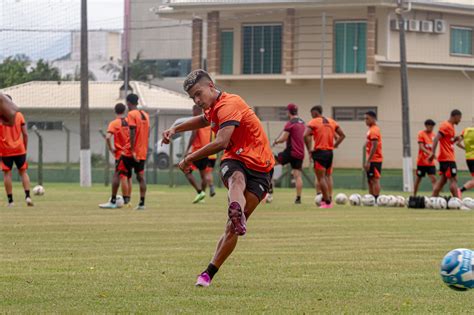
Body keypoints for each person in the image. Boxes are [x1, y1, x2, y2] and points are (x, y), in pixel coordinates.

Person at [162, 69, 274, 287]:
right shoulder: (214, 107)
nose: (196, 99)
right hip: (236, 159)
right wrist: (176, 128)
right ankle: (235, 212)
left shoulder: (230, 104)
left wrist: (189, 158)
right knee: (236, 180)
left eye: (198, 93)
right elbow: (202, 121)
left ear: (211, 86)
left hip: (261, 166)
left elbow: (222, 141)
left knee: (232, 228)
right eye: (192, 97)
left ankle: (212, 266)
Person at [304, 105, 345, 208]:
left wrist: (309, 149)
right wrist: (335, 145)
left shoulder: (313, 122)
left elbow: (305, 135)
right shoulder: (332, 121)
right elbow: (342, 135)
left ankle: (326, 202)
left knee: (320, 178)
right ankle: (329, 197)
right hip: (329, 153)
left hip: (319, 152)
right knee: (327, 176)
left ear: (314, 113)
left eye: (312, 114)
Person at [99, 103, 132, 209]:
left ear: (115, 111)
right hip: (131, 152)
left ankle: (120, 201)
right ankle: (128, 200)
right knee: (129, 177)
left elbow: (108, 137)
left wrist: (111, 148)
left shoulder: (114, 123)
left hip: (121, 154)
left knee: (121, 176)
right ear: (125, 111)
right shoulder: (130, 122)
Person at [271, 103, 305, 204]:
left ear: (289, 112)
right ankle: (298, 198)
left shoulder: (290, 123)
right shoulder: (303, 123)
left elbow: (284, 138)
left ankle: (269, 188)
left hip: (290, 152)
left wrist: (276, 141)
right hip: (300, 153)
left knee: (269, 163)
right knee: (297, 175)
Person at [0, 104, 33, 207]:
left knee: (7, 174)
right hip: (19, 149)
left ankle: (11, 201)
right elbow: (25, 134)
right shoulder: (18, 115)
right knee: (23, 172)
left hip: (5, 150)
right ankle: (28, 197)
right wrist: (25, 148)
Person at [184, 105, 217, 203]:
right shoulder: (207, 121)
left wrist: (187, 149)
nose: (192, 112)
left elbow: (193, 134)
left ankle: (199, 192)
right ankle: (202, 195)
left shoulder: (197, 121)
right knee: (204, 176)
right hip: (205, 152)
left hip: (196, 151)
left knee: (186, 171)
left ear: (195, 110)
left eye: (193, 110)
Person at [429, 109, 462, 198]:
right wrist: (432, 153)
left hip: (446, 158)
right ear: (455, 116)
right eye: (459, 118)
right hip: (448, 158)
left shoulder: (451, 126)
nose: (460, 120)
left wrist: (454, 139)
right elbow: (436, 138)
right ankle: (458, 202)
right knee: (453, 179)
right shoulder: (445, 125)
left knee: (443, 180)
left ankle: (432, 199)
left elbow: (447, 141)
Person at [126, 93, 150, 210]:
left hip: (134, 151)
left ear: (128, 103)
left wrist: (132, 150)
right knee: (140, 177)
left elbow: (132, 132)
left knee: (121, 173)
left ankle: (122, 199)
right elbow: (147, 133)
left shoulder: (131, 114)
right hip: (143, 150)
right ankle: (142, 202)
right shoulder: (145, 114)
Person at [413, 119, 437, 196]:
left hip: (430, 162)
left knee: (433, 179)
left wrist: (433, 155)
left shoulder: (434, 135)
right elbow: (421, 147)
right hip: (421, 162)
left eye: (433, 126)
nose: (432, 128)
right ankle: (414, 195)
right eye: (430, 126)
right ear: (426, 126)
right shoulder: (421, 134)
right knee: (418, 179)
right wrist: (431, 153)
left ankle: (434, 196)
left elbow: (433, 147)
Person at [364, 111, 383, 200]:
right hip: (372, 159)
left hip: (375, 159)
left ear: (373, 119)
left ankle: (376, 199)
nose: (365, 121)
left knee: (375, 180)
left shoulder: (374, 130)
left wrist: (368, 161)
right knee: (370, 180)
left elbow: (374, 145)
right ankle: (371, 199)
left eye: (367, 118)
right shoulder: (371, 129)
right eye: (365, 118)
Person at [456, 126, 474, 195]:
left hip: (469, 158)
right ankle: (460, 190)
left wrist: (466, 149)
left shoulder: (465, 130)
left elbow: (457, 143)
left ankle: (459, 190)